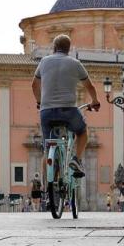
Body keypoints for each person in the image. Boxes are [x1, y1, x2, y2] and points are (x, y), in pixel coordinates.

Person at [32, 35, 101, 177]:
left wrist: (39, 102)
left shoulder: (44, 62)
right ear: (68, 49)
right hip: (68, 110)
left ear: (54, 48)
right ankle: (76, 159)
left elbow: (34, 85)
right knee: (82, 132)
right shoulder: (75, 63)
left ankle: (47, 190)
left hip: (46, 112)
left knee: (47, 149)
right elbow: (90, 86)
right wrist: (95, 101)